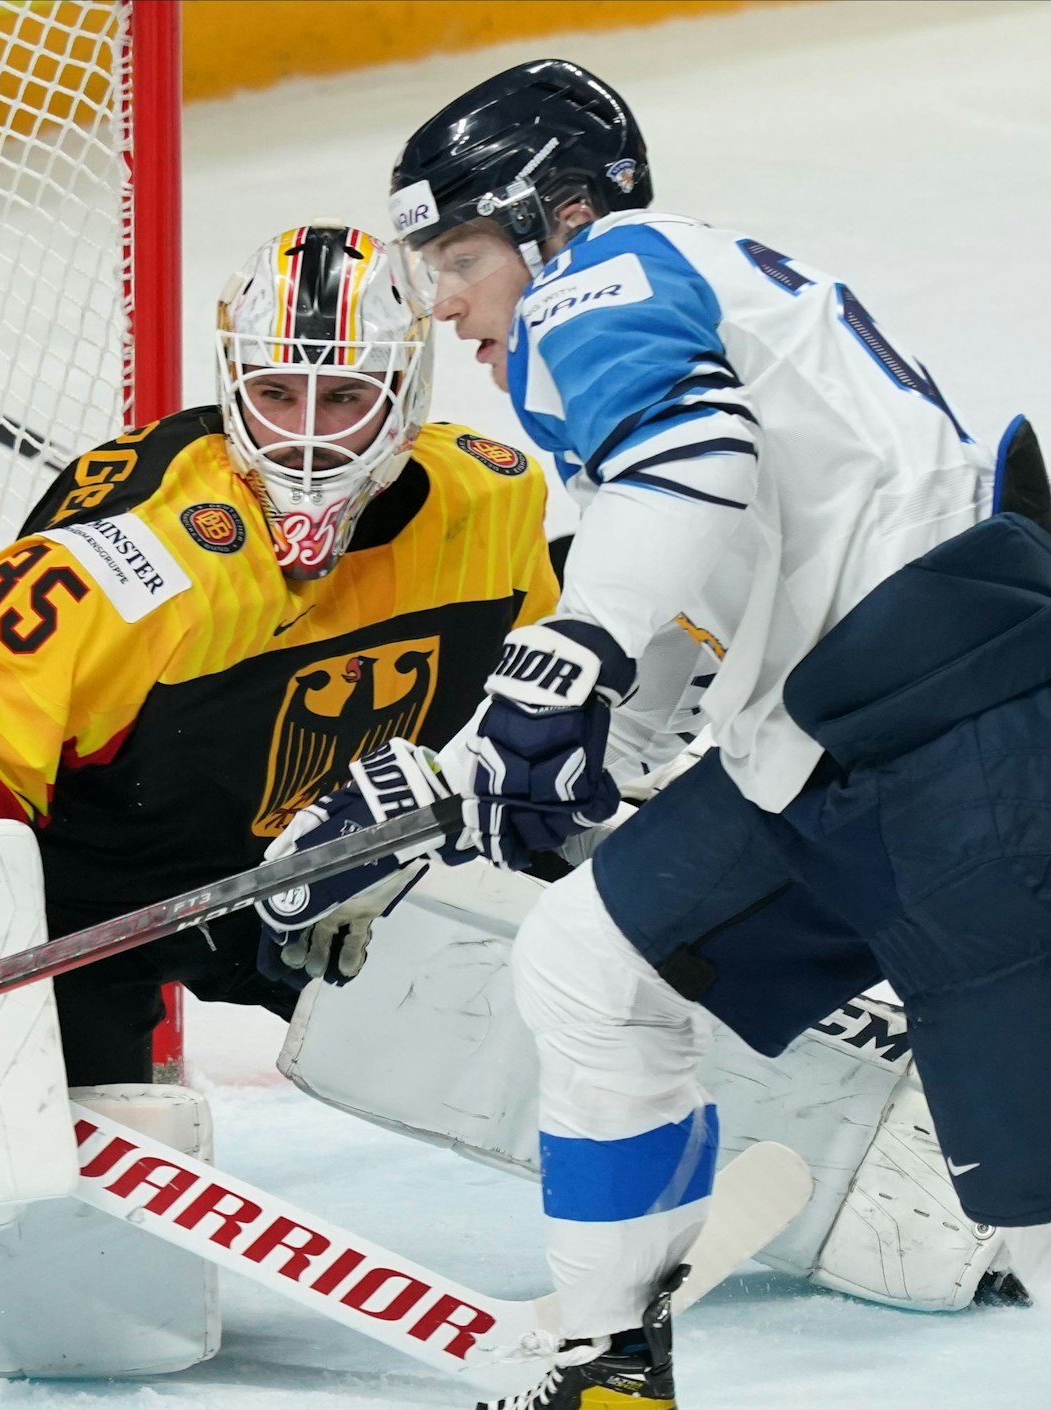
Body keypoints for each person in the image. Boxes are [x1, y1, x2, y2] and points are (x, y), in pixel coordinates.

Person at [265, 58, 1051, 1408]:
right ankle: (613, 1359)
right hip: (830, 743)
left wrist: (558, 656)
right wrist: (440, 790)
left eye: (459, 256)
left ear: (551, 212)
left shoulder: (606, 272)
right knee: (590, 961)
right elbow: (668, 648)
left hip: (965, 744)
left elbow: (692, 468)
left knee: (1040, 1202)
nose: (446, 306)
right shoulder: (655, 336)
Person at [0, 219, 556, 1086]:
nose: (305, 437)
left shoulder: (491, 501)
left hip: (311, 886)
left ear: (408, 393)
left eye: (344, 398)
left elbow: (524, 706)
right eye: (277, 394)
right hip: (83, 911)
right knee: (56, 1186)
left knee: (552, 1025)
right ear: (232, 384)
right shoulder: (158, 549)